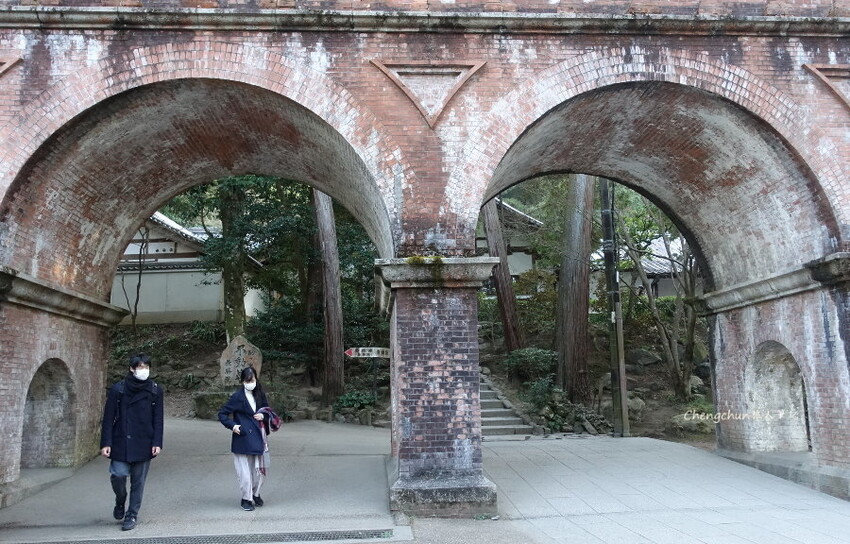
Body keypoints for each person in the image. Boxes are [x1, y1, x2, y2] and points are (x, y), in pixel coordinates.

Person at [100, 353, 164, 531]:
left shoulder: (155, 390)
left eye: (147, 367)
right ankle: (120, 500)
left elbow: (158, 419)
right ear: (132, 369)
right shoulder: (118, 389)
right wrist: (106, 442)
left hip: (144, 441)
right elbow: (108, 418)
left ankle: (132, 514)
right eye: (141, 367)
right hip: (121, 440)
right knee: (118, 475)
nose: (144, 371)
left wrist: (157, 442)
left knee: (138, 482)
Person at [218, 366, 271, 511]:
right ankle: (246, 498)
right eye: (247, 380)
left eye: (252, 379)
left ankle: (256, 493)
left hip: (259, 436)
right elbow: (222, 414)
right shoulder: (237, 397)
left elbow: (268, 410)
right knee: (245, 472)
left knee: (260, 470)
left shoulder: (260, 394)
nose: (250, 382)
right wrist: (233, 426)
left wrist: (264, 416)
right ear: (242, 381)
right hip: (242, 437)